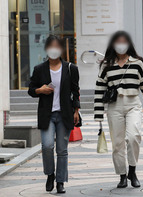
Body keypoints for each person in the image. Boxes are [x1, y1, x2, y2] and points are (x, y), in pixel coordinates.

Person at [94, 31, 143, 188]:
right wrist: (98, 113)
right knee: (117, 144)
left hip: (133, 104)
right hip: (114, 107)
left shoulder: (137, 63)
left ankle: (133, 170)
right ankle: (122, 175)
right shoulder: (106, 65)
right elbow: (100, 88)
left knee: (133, 136)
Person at [28, 35, 80, 193]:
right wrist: (40, 90)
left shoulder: (71, 68)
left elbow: (75, 91)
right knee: (47, 145)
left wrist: (76, 111)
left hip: (64, 114)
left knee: (62, 150)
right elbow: (31, 90)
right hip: (47, 115)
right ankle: (50, 174)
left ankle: (60, 181)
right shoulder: (39, 69)